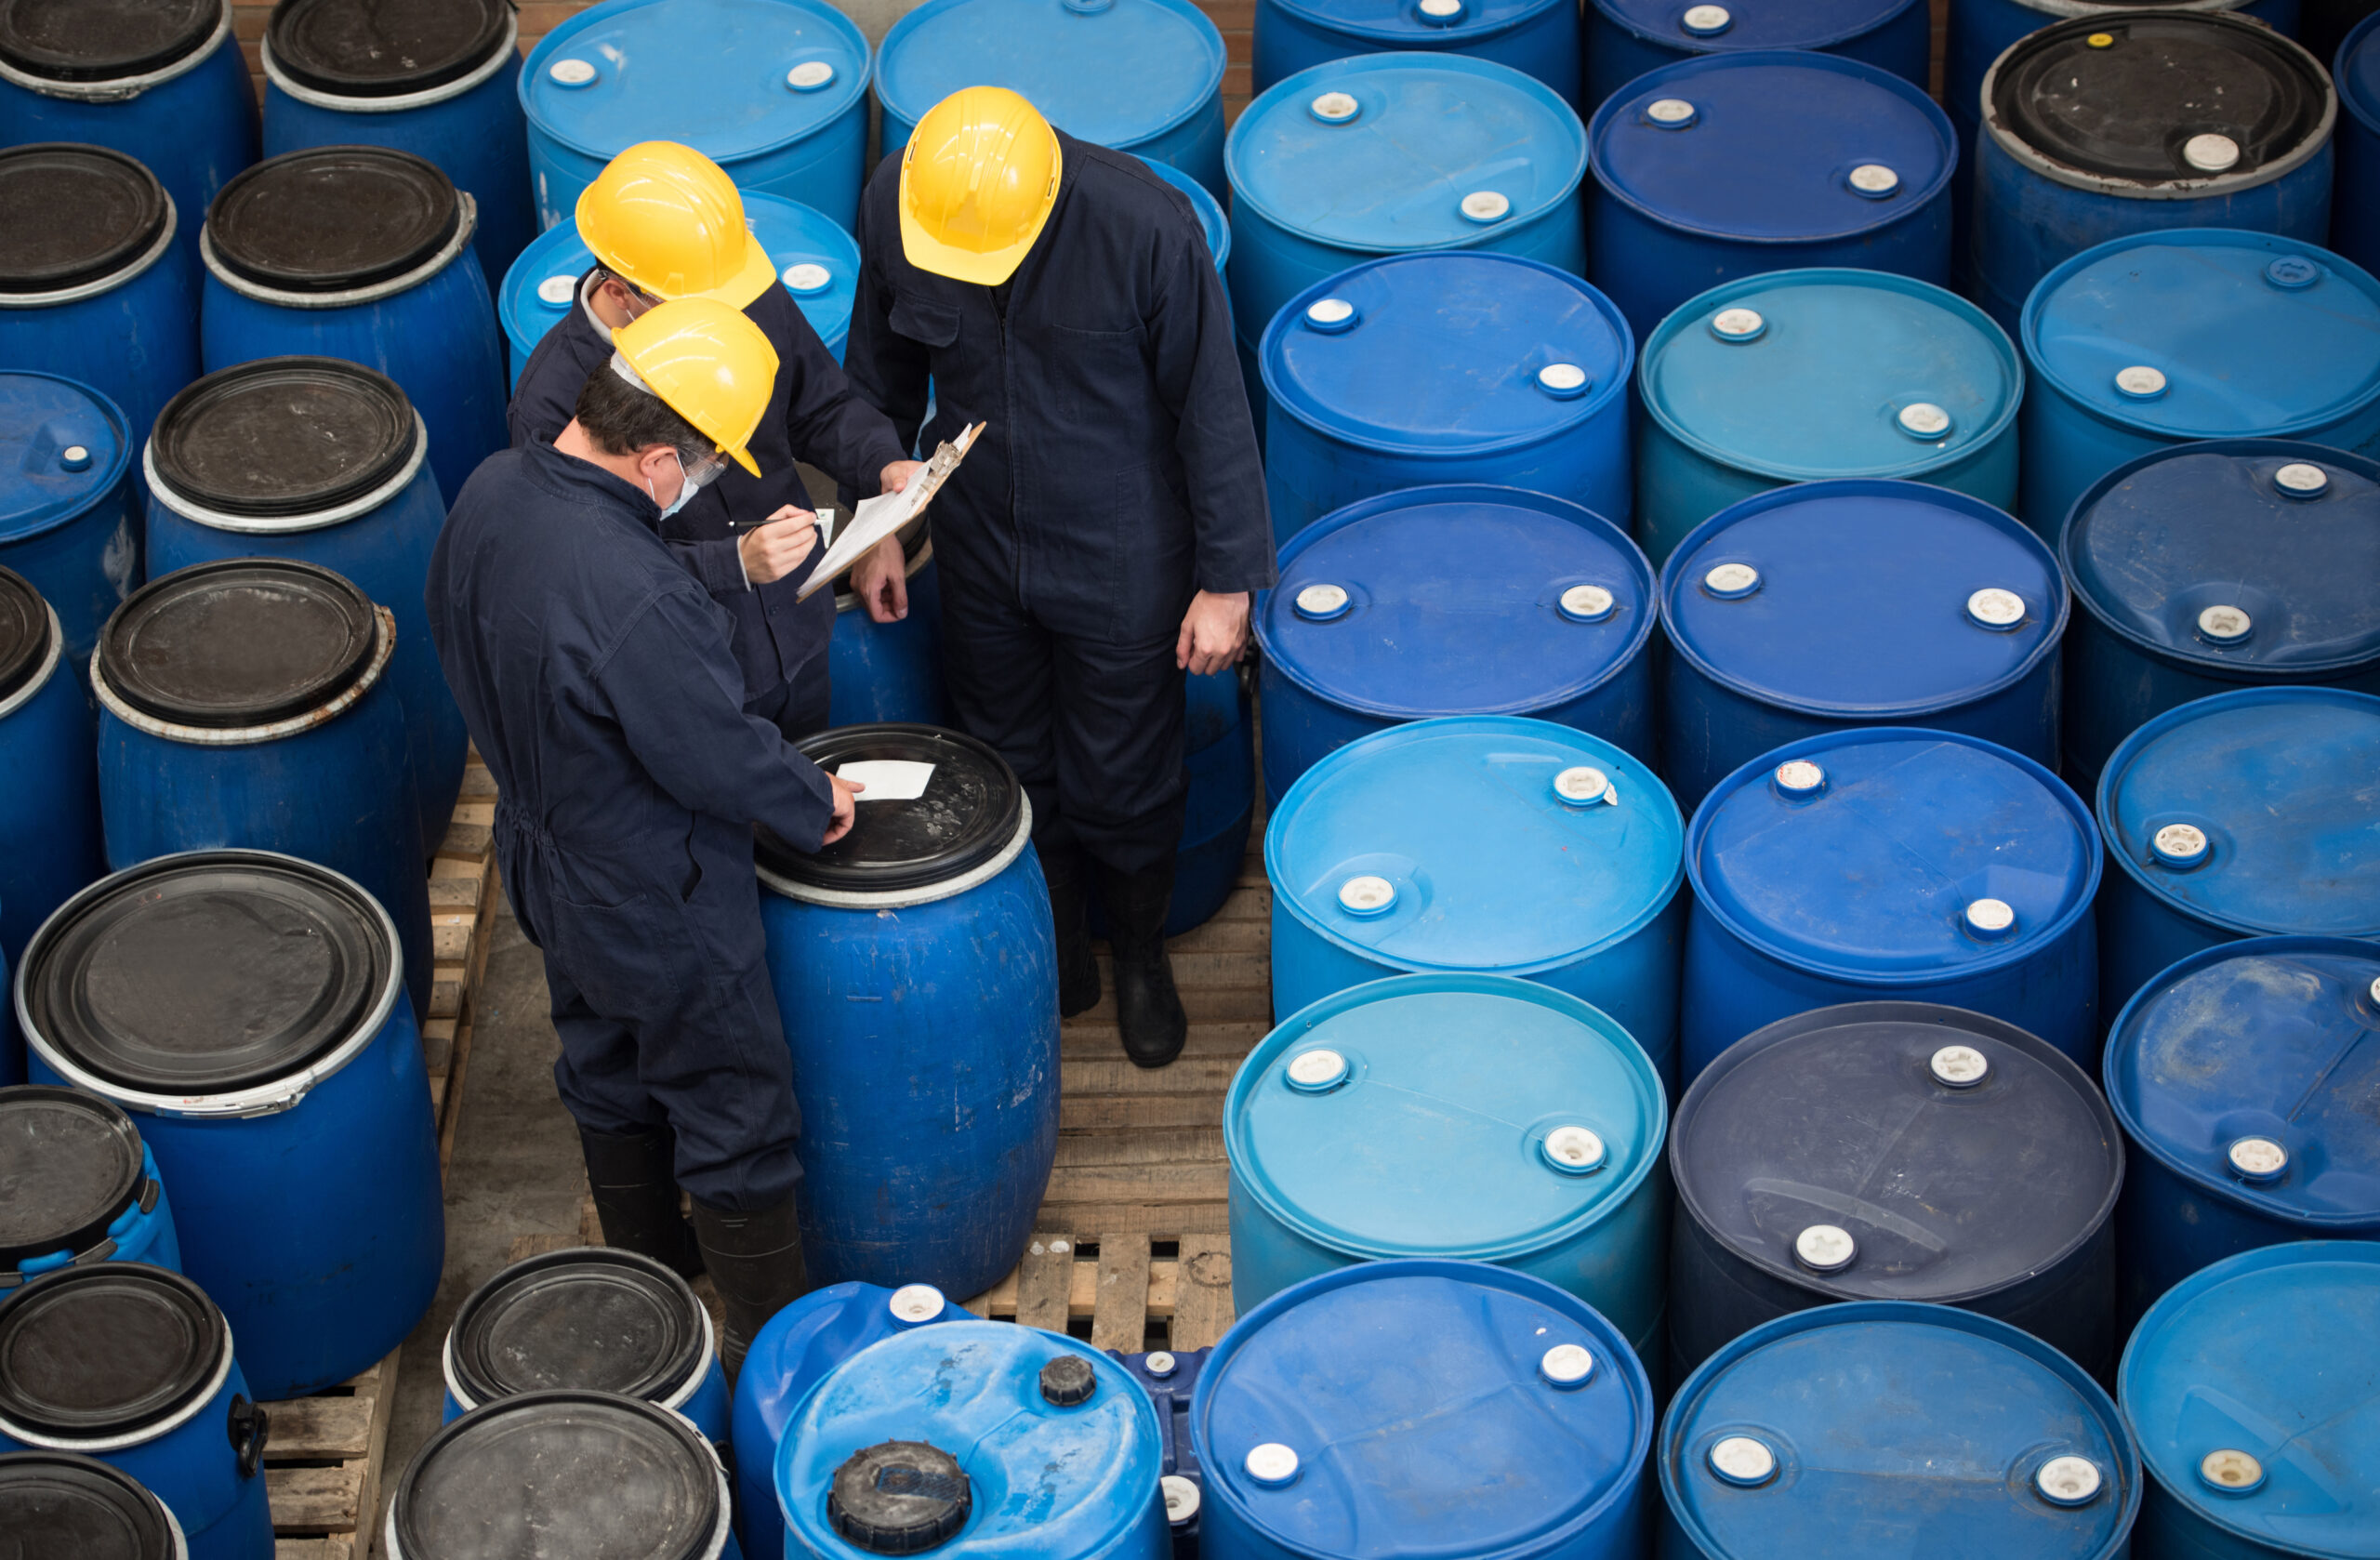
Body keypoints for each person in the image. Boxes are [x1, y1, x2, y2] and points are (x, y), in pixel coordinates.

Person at [428, 297, 859, 1374]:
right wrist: (812, 799)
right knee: (733, 1105)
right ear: (659, 457)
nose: (714, 478)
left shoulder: (491, 490)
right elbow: (708, 746)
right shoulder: (632, 592)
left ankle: (657, 1292)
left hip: (545, 854)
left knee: (606, 1064)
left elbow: (578, 609)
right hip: (656, 886)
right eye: (708, 460)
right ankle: (775, 1352)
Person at [840, 87, 1274, 1069]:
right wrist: (877, 527)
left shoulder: (1145, 228)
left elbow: (1214, 409)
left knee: (1125, 769)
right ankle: (1062, 946)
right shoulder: (898, 205)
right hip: (980, 536)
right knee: (1008, 750)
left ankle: (1138, 956)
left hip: (1123, 544)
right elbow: (879, 378)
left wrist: (1227, 583)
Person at [509, 140, 923, 742]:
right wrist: (730, 564)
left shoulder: (735, 294)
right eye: (696, 306)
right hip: (688, 677)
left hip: (798, 627)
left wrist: (882, 467)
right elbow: (582, 570)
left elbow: (822, 407)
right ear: (621, 290)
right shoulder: (552, 401)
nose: (722, 321)